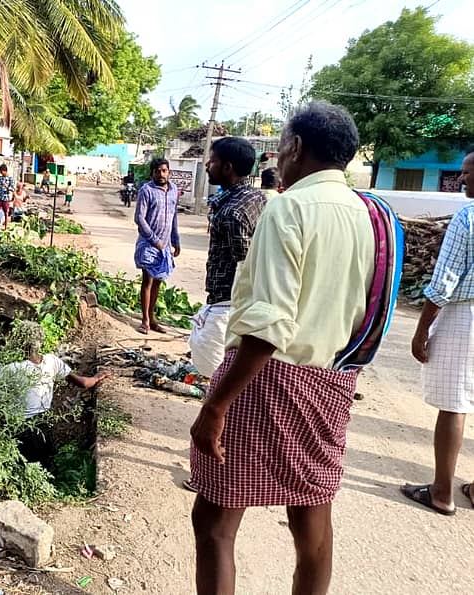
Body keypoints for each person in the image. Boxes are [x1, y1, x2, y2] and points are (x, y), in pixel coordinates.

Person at [189, 102, 386, 595]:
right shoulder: (373, 215)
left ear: (296, 147)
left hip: (266, 377)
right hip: (331, 381)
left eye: (281, 141)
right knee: (312, 513)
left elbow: (268, 325)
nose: (277, 152)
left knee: (214, 520)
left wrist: (215, 406)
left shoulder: (288, 207)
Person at [402, 148, 474, 515]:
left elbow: (444, 281)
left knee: (454, 405)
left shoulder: (467, 218)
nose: (462, 179)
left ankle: (442, 492)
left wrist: (421, 330)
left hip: (465, 317)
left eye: (467, 171)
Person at [189, 137, 267, 378]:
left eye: (212, 162)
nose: (207, 166)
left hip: (227, 303)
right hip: (235, 303)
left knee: (214, 372)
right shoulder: (256, 198)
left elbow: (244, 266)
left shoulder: (232, 213)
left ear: (227, 167)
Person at [0, 322, 111, 463]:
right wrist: (97, 377)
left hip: (20, 427)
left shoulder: (14, 368)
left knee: (21, 465)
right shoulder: (52, 361)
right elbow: (83, 383)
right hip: (44, 425)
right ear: (40, 342)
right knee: (45, 463)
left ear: (20, 342)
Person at [134, 157, 180, 335]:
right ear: (152, 173)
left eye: (164, 170)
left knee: (159, 282)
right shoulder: (147, 190)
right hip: (149, 244)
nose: (161, 174)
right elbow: (139, 219)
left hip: (166, 245)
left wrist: (176, 240)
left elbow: (174, 216)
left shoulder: (173, 190)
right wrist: (155, 241)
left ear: (168, 172)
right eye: (157, 171)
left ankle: (152, 319)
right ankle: (145, 320)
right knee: (148, 281)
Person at [0, 164, 14, 234]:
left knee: (6, 213)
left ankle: (6, 228)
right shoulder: (0, 178)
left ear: (4, 171)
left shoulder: (10, 179)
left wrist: (7, 186)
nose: (1, 173)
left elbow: (13, 189)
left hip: (5, 198)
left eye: (1, 171)